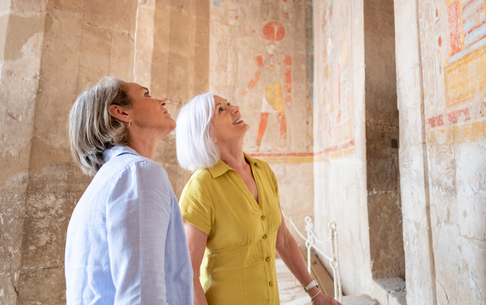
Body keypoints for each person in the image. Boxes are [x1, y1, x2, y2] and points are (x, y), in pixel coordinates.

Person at [176, 92, 340, 305]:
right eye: (221, 109)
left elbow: (283, 239)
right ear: (207, 133)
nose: (235, 108)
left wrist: (315, 293)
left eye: (229, 103)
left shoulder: (263, 171)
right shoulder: (201, 187)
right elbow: (188, 274)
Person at [65, 77, 192, 304]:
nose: (162, 101)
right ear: (122, 113)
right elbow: (142, 293)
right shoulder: (137, 172)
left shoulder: (111, 177)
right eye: (146, 94)